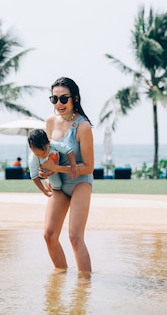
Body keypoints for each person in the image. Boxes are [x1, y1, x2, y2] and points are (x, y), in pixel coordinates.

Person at [39, 77, 94, 275]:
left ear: (75, 98)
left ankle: (84, 288)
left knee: (75, 237)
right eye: (54, 99)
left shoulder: (83, 127)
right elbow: (47, 154)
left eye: (64, 99)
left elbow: (88, 167)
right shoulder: (50, 122)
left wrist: (57, 168)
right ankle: (60, 278)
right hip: (59, 184)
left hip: (80, 182)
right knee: (49, 235)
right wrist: (45, 170)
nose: (59, 104)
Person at [28, 129, 79, 196]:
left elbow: (68, 151)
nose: (42, 156)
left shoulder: (53, 144)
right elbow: (34, 176)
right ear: (31, 149)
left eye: (44, 152)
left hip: (57, 162)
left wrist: (73, 165)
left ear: (49, 143)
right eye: (37, 154)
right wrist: (43, 190)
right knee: (57, 186)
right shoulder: (33, 159)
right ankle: (48, 182)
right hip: (48, 172)